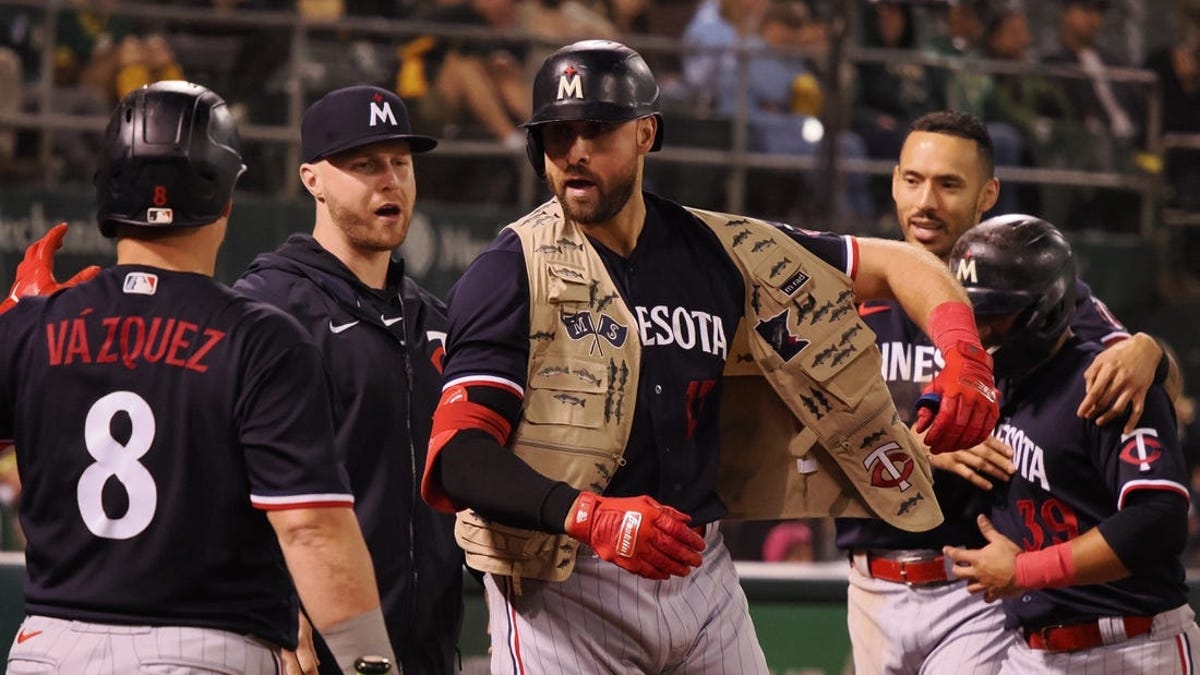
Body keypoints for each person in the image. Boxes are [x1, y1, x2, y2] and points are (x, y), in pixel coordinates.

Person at [420, 40, 1001, 674]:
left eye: (597, 129)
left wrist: (965, 356)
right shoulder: (509, 271)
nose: (575, 152)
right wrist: (587, 515)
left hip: (701, 570)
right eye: (556, 135)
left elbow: (902, 263)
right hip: (565, 581)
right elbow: (459, 457)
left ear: (646, 134)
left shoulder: (717, 249)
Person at [0, 81, 394, 675]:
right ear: (226, 199)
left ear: (105, 190)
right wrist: (375, 666)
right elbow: (311, 531)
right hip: (202, 650)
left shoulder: (31, 329)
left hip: (47, 650)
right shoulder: (263, 337)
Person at [837, 110, 1180, 675]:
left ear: (987, 194)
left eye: (949, 184)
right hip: (868, 578)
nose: (926, 202)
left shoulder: (1026, 292)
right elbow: (795, 436)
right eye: (913, 180)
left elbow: (1136, 373)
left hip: (978, 584)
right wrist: (914, 447)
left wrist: (1150, 350)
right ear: (894, 180)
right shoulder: (847, 294)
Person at [234, 84, 463, 675]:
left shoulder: (433, 319)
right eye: (365, 165)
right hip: (312, 650)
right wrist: (280, 613)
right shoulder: (268, 308)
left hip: (428, 646)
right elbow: (228, 482)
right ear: (313, 180)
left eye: (401, 164)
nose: (390, 180)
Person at [943, 216, 1200, 672]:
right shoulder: (993, 383)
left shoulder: (1110, 379)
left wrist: (1024, 572)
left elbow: (1157, 523)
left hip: (1134, 645)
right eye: (969, 312)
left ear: (1047, 307)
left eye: (994, 312)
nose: (979, 329)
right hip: (1034, 651)